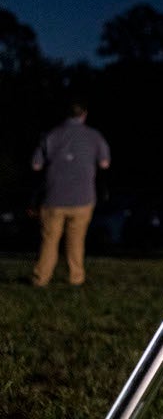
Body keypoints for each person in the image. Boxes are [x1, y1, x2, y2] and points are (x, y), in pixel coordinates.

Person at [30, 101, 111, 286]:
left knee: (50, 240)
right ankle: (76, 278)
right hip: (83, 198)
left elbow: (36, 165)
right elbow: (105, 163)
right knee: (76, 240)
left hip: (54, 198)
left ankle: (41, 278)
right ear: (84, 114)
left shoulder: (51, 135)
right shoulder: (94, 136)